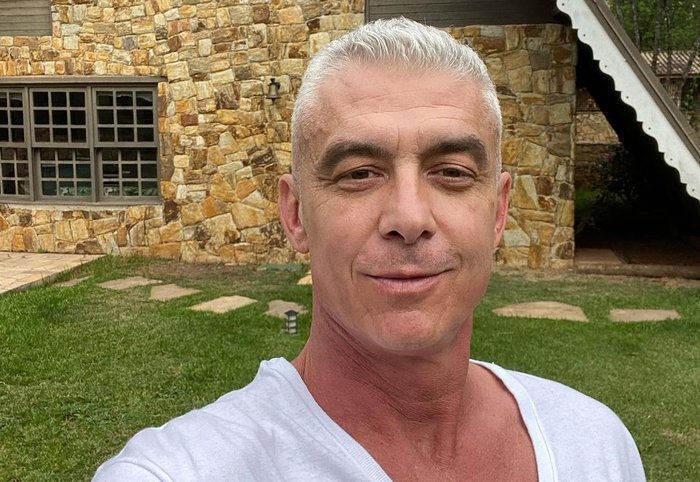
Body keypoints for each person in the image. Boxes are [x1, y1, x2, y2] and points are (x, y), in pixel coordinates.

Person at [94, 18, 645, 481]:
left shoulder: (595, 446)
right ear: (295, 215)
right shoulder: (180, 471)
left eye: (452, 172)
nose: (409, 218)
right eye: (359, 173)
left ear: (498, 211)